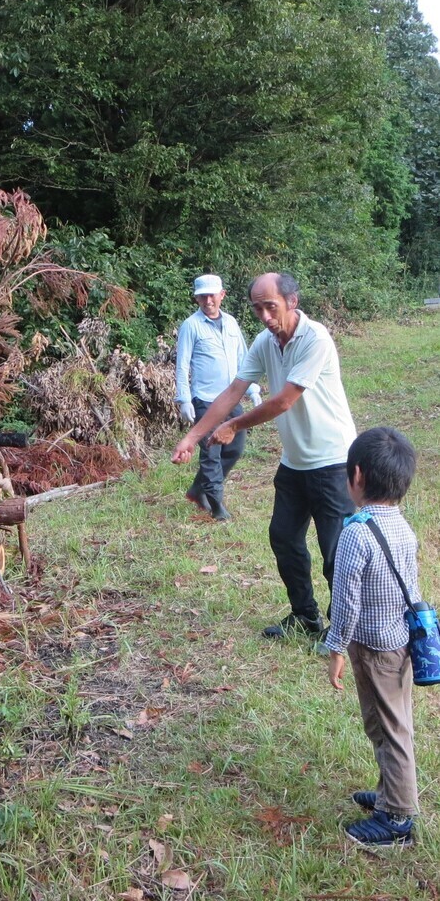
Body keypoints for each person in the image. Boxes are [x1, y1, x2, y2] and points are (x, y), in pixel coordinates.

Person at [172, 272, 356, 638]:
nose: (265, 317)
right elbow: (232, 392)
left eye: (270, 307)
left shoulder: (314, 338)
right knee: (284, 538)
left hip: (332, 460)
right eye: (258, 309)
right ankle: (305, 617)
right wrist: (193, 436)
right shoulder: (264, 342)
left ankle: (343, 630)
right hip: (294, 463)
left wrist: (235, 427)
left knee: (336, 550)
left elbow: (283, 400)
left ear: (292, 301)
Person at [326, 426, 420, 848]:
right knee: (386, 724)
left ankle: (398, 820)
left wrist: (336, 649)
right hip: (400, 642)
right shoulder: (402, 526)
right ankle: (388, 796)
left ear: (357, 476)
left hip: (375, 649)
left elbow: (344, 603)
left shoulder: (356, 533)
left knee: (389, 729)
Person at [175, 273, 261, 520]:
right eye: (202, 296)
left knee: (234, 448)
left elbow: (243, 361)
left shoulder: (232, 323)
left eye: (212, 295)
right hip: (205, 399)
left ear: (222, 295)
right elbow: (182, 366)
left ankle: (198, 489)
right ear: (197, 299)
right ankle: (216, 504)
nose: (207, 300)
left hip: (231, 399)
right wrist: (184, 399)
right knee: (211, 454)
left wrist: (253, 390)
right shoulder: (191, 325)